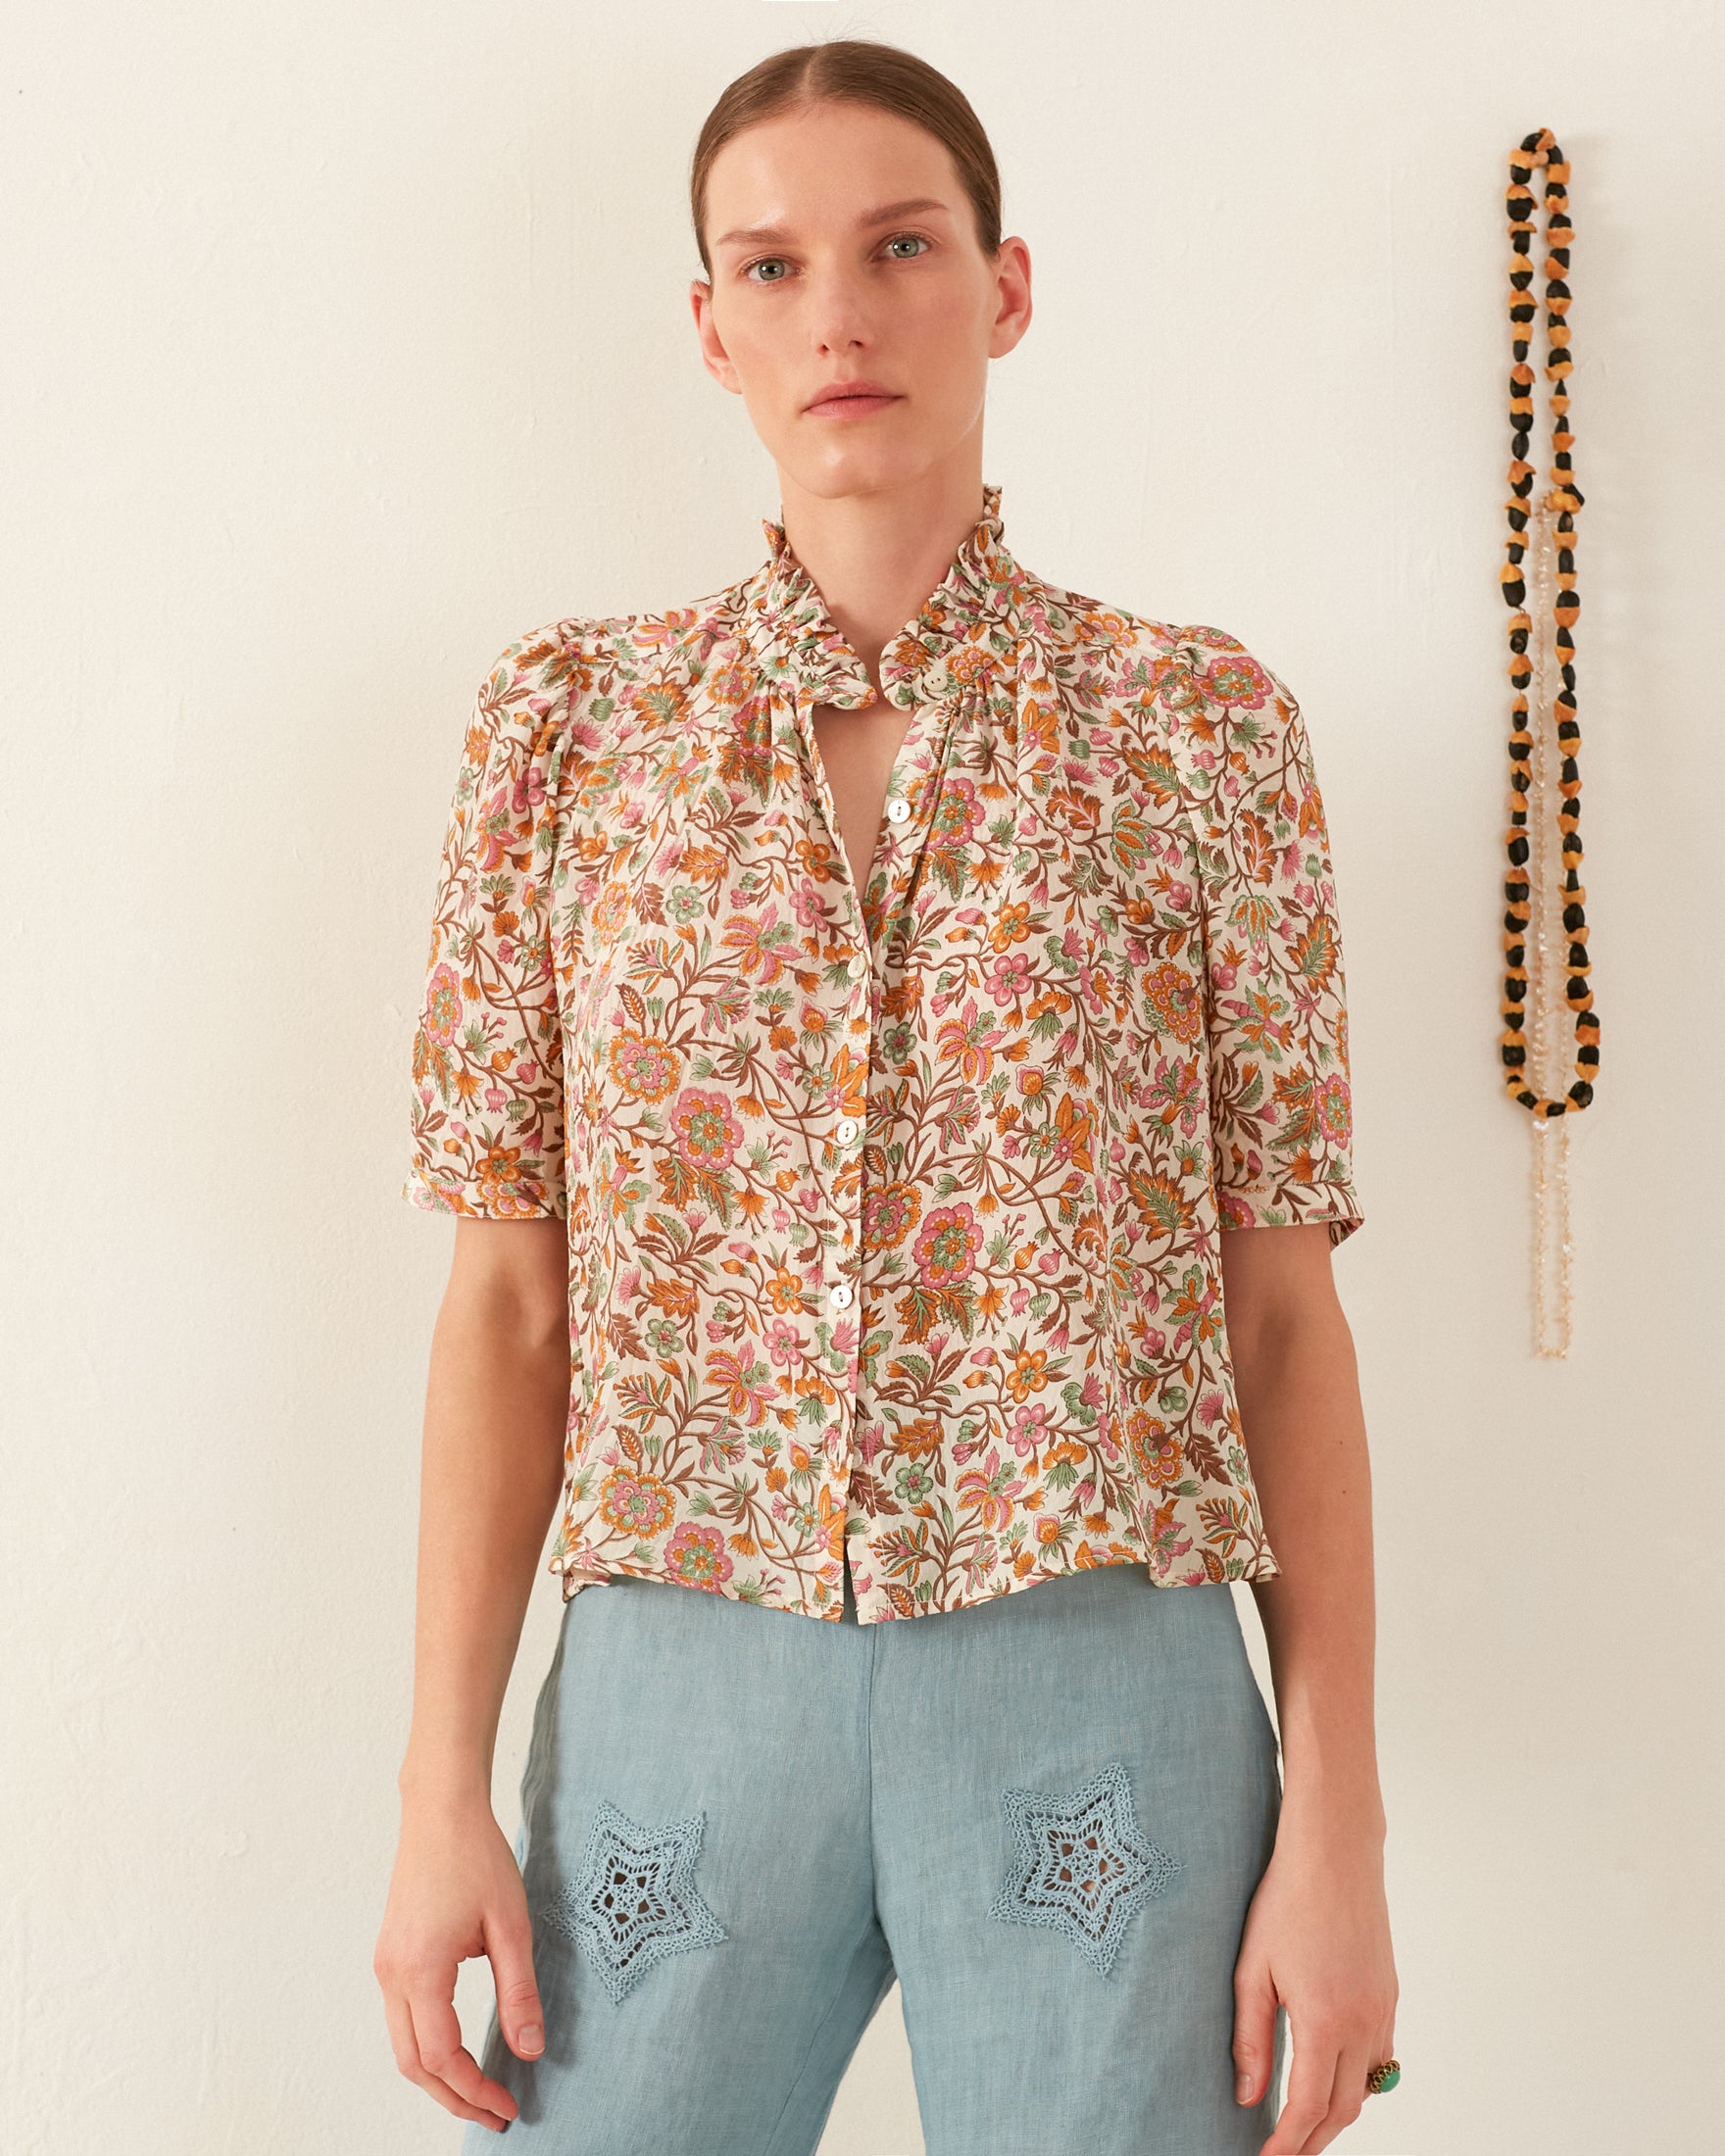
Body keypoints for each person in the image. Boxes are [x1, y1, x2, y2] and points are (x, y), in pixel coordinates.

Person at [373, 36, 1399, 2156]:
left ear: (1005, 287)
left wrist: (1339, 1823)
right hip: (678, 1666)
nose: (835, 311)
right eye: (770, 264)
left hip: (1092, 1674)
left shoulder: (1197, 732)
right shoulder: (566, 734)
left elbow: (1279, 1311)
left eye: (897, 245)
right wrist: (432, 1783)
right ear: (709, 326)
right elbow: (504, 1305)